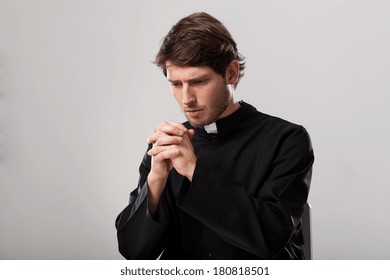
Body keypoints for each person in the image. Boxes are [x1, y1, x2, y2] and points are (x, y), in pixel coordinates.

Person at [115, 12, 314, 260]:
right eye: (176, 84)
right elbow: (134, 253)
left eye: (198, 82)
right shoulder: (167, 143)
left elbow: (270, 238)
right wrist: (154, 182)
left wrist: (194, 171)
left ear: (231, 73)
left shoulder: (286, 139)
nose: (187, 99)